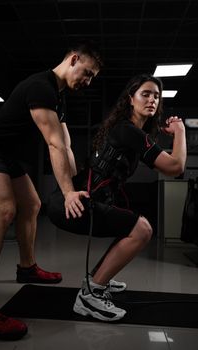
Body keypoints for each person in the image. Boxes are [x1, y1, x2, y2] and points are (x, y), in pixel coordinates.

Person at [0, 41, 103, 340]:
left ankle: (26, 268)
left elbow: (65, 144)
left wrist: (77, 184)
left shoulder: (59, 96)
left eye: (92, 78)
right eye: (87, 73)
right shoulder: (40, 87)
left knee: (32, 204)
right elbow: (53, 143)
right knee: (3, 209)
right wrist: (66, 193)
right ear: (73, 59)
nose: (88, 82)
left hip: (5, 154)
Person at [47, 73, 187, 322]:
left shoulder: (130, 130)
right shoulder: (127, 131)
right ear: (130, 99)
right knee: (142, 229)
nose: (152, 100)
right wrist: (180, 132)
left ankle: (96, 279)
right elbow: (175, 166)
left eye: (156, 96)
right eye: (145, 94)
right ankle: (90, 296)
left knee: (131, 224)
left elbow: (166, 161)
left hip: (82, 201)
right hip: (73, 204)